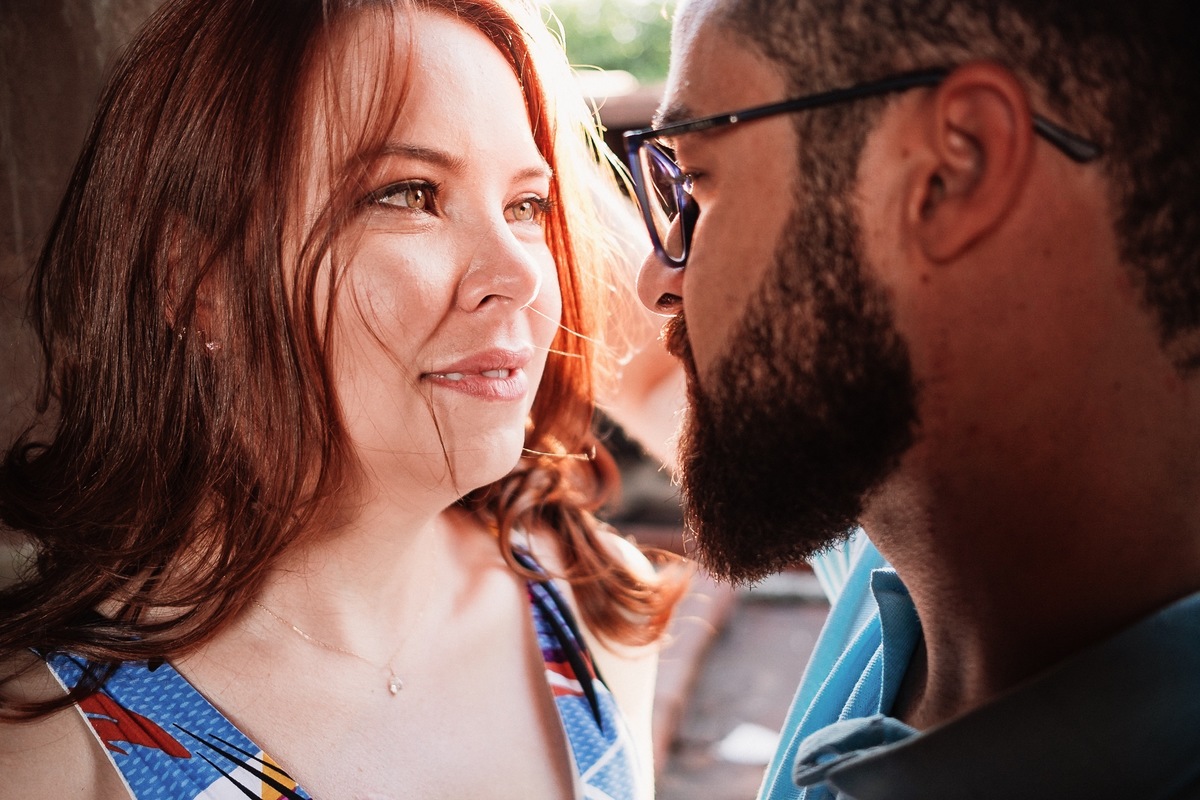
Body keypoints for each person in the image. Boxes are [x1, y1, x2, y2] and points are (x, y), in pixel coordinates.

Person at [0, 0, 687, 797]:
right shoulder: (45, 752)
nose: (522, 276)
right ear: (199, 281)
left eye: (526, 206)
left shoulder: (590, 601)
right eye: (409, 194)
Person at [628, 0, 1200, 797]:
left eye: (694, 179)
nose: (655, 280)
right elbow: (639, 372)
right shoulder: (911, 564)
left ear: (951, 170)